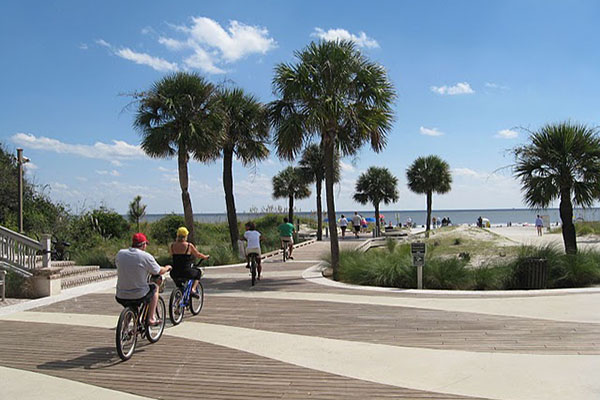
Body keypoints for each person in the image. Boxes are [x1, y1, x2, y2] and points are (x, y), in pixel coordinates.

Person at [115, 233, 172, 326]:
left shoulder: (120, 253)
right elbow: (159, 271)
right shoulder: (146, 256)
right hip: (138, 294)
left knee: (131, 307)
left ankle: (125, 328)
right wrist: (167, 267)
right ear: (143, 244)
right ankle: (151, 318)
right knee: (154, 287)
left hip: (120, 294)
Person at [169, 227, 209, 298]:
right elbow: (198, 255)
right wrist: (205, 257)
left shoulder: (172, 245)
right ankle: (193, 290)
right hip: (186, 271)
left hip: (174, 272)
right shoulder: (188, 245)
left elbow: (172, 255)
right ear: (186, 236)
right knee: (198, 273)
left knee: (179, 285)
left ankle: (179, 296)